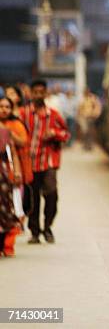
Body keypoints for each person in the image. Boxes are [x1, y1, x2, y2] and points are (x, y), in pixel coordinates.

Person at [20, 80, 70, 244]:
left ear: (46, 93)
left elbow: (66, 135)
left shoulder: (54, 115)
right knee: (32, 199)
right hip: (30, 162)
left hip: (48, 162)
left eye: (42, 92)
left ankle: (47, 227)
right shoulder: (23, 114)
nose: (39, 95)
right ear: (31, 94)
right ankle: (35, 232)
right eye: (36, 92)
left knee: (51, 195)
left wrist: (54, 133)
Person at [0, 96, 27, 257]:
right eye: (0, 106)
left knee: (5, 210)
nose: (3, 110)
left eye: (6, 107)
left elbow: (14, 153)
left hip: (3, 176)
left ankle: (6, 245)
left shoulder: (8, 130)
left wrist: (17, 172)